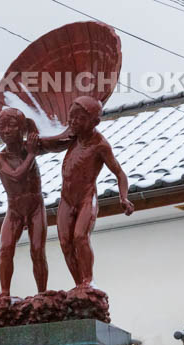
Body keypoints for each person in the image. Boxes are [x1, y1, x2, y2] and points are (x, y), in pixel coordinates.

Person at [38, 95, 134, 288]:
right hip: (66, 199)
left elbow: (120, 173)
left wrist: (123, 197)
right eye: (71, 117)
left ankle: (88, 281)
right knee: (65, 243)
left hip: (85, 198)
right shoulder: (71, 137)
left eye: (79, 118)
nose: (73, 122)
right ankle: (79, 285)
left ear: (94, 122)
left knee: (80, 237)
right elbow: (48, 143)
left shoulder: (100, 145)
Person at [0, 108, 48, 297]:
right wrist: (32, 155)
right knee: (6, 248)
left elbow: (56, 142)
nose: (6, 131)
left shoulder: (31, 146)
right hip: (15, 208)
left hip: (35, 206)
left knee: (37, 250)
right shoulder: (0, 158)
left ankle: (42, 292)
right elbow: (16, 176)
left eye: (11, 126)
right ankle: (5, 292)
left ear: (21, 128)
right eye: (1, 127)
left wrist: (34, 130)